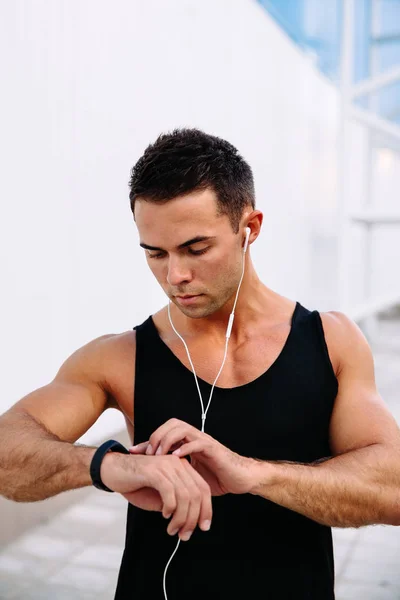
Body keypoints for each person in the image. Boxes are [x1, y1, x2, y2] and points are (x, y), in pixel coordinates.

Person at [0, 128, 399, 600]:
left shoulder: (330, 341)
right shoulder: (119, 355)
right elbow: (8, 453)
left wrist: (254, 473)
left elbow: (391, 490)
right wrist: (110, 466)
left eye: (195, 248)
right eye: (155, 253)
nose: (175, 276)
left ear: (249, 228)